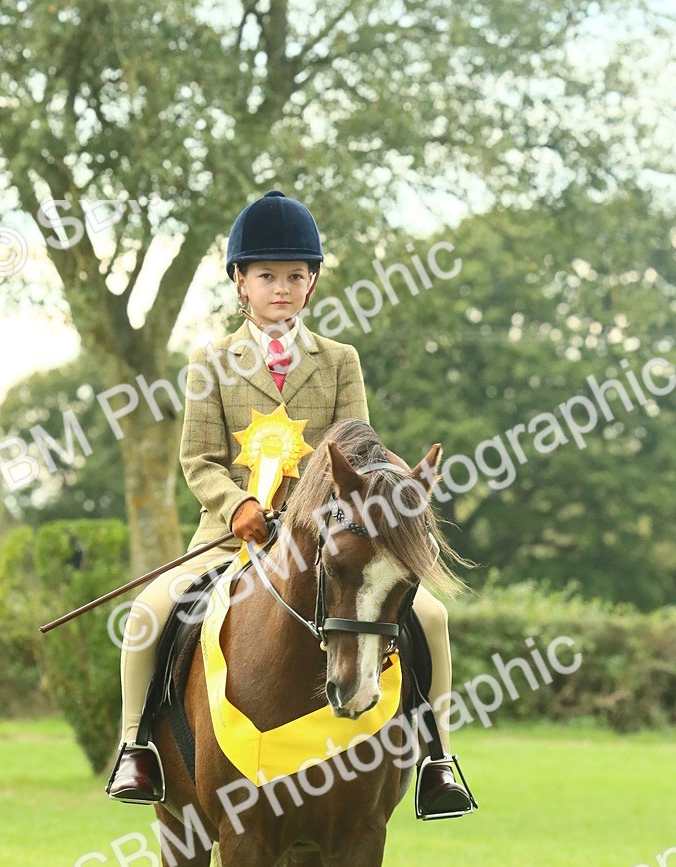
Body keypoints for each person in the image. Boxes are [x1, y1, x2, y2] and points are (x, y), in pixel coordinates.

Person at [106, 189, 472, 816]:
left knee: (432, 618)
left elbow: (358, 450)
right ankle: (135, 746)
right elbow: (198, 460)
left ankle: (437, 758)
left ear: (313, 283)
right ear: (240, 283)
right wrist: (237, 506)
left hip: (323, 540)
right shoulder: (210, 362)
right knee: (148, 613)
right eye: (267, 276)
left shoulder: (339, 361)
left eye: (295, 276)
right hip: (230, 538)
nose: (281, 288)